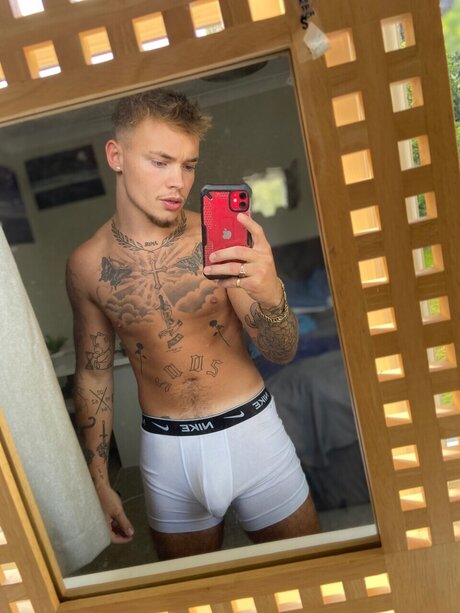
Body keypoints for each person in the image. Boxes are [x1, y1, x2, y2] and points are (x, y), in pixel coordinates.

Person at [66, 88, 319, 561]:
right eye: (160, 162)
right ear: (116, 156)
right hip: (167, 455)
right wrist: (98, 481)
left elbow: (281, 350)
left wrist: (272, 295)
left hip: (253, 433)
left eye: (188, 165)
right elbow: (94, 374)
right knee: (195, 593)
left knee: (312, 575)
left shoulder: (217, 240)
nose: (177, 182)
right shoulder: (87, 264)